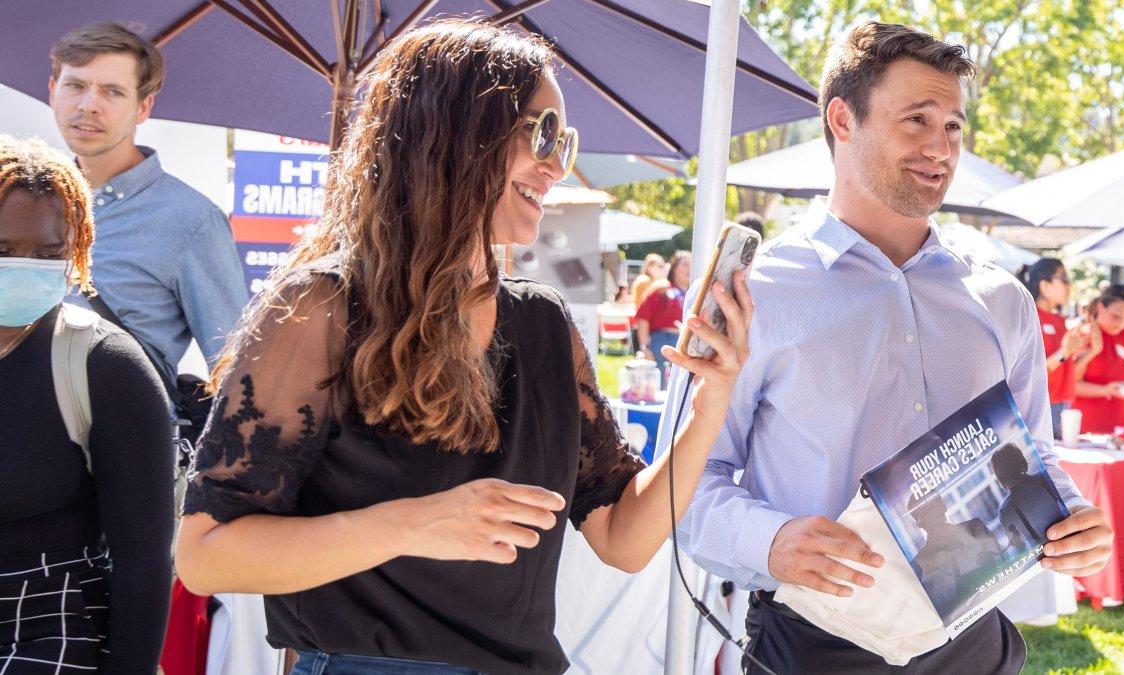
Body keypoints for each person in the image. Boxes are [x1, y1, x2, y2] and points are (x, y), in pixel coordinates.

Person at [174, 21, 753, 675]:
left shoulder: (543, 324)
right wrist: (411, 523)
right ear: (455, 134)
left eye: (565, 140)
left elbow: (623, 536)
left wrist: (709, 403)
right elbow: (205, 553)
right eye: (541, 133)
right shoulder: (325, 306)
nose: (558, 162)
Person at [671, 22, 1112, 673]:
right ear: (842, 119)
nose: (942, 147)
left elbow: (1029, 447)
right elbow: (681, 487)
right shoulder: (753, 292)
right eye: (917, 120)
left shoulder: (1001, 299)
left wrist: (1070, 514)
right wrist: (772, 540)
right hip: (817, 643)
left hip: (974, 638)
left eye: (955, 126)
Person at [0, 135, 173, 673]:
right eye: (3, 251)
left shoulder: (105, 364)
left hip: (49, 628)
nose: (24, 266)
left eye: (49, 254)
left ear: (76, 249)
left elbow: (143, 560)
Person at [48, 22, 248, 422]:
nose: (88, 104)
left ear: (143, 107)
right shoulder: (29, 202)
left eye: (112, 91)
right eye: (75, 85)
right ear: (52, 89)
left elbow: (236, 369)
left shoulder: (191, 220)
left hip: (122, 452)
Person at [1017, 259, 1091, 439]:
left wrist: (1091, 350)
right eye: (1063, 279)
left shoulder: (1058, 319)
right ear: (1045, 285)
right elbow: (1032, 369)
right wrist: (1064, 352)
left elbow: (1065, 362)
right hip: (1043, 406)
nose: (1069, 285)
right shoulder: (1029, 317)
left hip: (1064, 402)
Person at [1073, 284, 1124, 433]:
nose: (1121, 323)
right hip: (1091, 428)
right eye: (1116, 316)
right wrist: (1104, 390)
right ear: (1100, 307)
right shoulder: (1085, 335)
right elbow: (1073, 385)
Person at [635, 250, 691, 383]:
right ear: (675, 267)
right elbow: (643, 317)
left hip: (685, 344)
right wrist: (644, 347)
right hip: (662, 342)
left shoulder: (692, 292)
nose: (690, 267)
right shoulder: (662, 287)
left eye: (692, 263)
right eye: (685, 264)